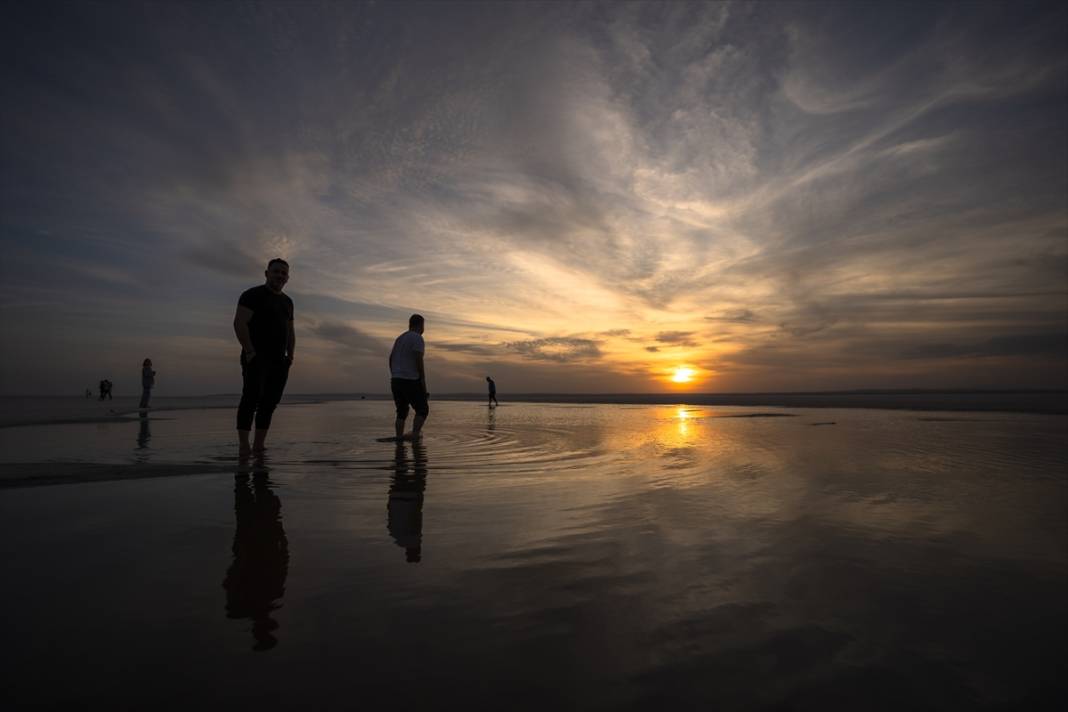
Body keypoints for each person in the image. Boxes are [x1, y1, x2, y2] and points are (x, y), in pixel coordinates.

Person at [233, 258, 295, 455]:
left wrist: (290, 356)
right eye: (276, 271)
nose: (280, 276)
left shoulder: (287, 302)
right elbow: (239, 323)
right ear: (267, 273)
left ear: (288, 278)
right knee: (250, 399)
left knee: (270, 402)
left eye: (283, 273)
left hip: (280, 360)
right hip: (256, 357)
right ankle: (244, 445)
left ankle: (259, 445)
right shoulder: (252, 295)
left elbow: (290, 330)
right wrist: (249, 351)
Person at [388, 314, 428, 441]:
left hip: (396, 379)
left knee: (401, 411)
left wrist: (394, 375)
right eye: (423, 326)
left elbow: (391, 358)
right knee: (422, 409)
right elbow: (418, 361)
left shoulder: (400, 338)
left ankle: (399, 437)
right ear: (420, 325)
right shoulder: (417, 338)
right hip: (410, 379)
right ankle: (415, 435)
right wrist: (422, 381)